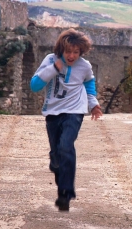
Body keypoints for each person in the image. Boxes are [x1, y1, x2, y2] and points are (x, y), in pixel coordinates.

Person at [30, 28, 102, 211]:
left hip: (75, 112)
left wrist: (93, 104)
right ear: (61, 49)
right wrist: (54, 69)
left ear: (81, 51)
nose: (71, 56)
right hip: (53, 112)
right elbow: (35, 86)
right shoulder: (50, 60)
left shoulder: (85, 66)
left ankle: (66, 193)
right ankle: (56, 165)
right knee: (57, 155)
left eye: (76, 52)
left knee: (66, 146)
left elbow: (89, 84)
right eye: (68, 51)